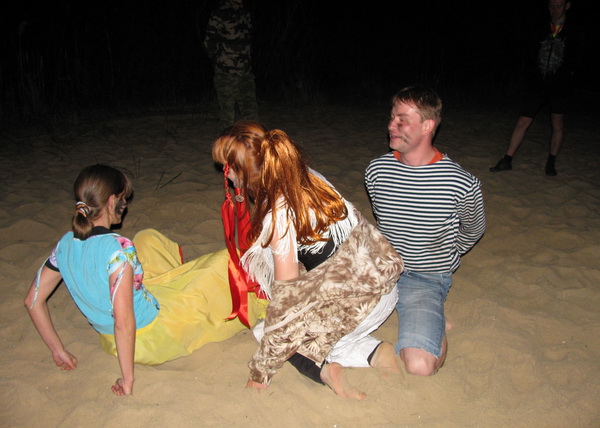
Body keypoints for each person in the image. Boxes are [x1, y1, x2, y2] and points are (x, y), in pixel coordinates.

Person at [23, 164, 266, 396]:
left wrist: (58, 350)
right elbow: (123, 322)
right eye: (122, 198)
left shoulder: (65, 244)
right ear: (111, 201)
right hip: (151, 336)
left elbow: (32, 301)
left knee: (147, 239)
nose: (124, 205)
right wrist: (127, 380)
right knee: (226, 261)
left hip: (111, 340)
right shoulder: (118, 249)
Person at [212, 122, 404, 399]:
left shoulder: (279, 215)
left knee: (267, 331)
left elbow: (286, 302)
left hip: (363, 305)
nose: (225, 174)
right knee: (294, 325)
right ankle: (377, 352)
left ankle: (327, 370)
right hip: (384, 283)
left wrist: (260, 373)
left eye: (226, 167)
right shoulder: (306, 176)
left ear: (242, 170)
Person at [365, 86, 486, 377]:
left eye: (402, 120)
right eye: (392, 117)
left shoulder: (460, 183)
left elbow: (473, 229)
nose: (391, 125)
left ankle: (435, 317)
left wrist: (446, 255)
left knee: (420, 365)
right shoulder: (377, 170)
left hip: (425, 277)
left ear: (428, 126)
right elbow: (381, 218)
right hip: (379, 269)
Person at [489, 0, 584, 176]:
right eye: (552, 5)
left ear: (567, 6)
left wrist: (568, 75)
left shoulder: (574, 30)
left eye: (558, 5)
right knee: (523, 121)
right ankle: (507, 159)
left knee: (557, 123)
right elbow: (530, 51)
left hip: (560, 85)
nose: (554, 9)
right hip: (538, 84)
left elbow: (578, 57)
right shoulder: (541, 28)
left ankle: (551, 162)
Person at [203, 0, 258, 130]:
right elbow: (209, 43)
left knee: (251, 113)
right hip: (226, 73)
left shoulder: (245, 12)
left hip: (245, 72)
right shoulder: (221, 12)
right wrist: (222, 62)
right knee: (227, 116)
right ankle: (226, 142)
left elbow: (248, 40)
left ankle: (253, 141)